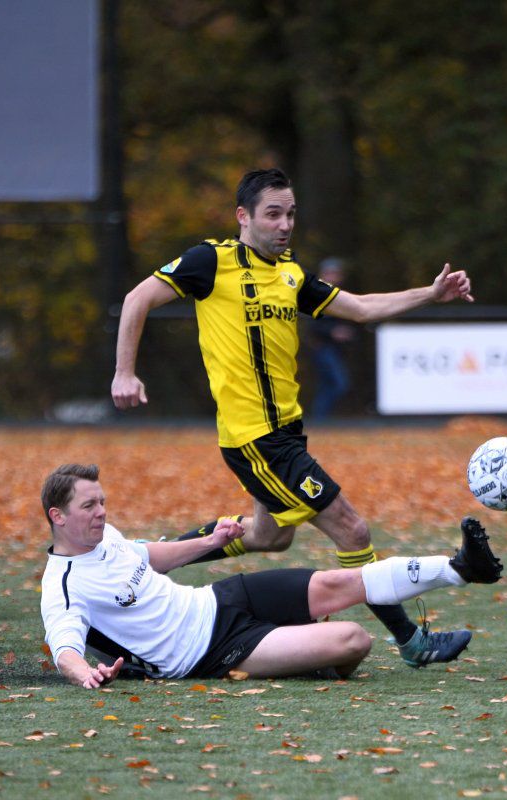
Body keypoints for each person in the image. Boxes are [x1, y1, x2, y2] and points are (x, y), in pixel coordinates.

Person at [111, 168, 475, 667]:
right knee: (352, 530)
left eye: (291, 214)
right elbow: (137, 299)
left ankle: (144, 560)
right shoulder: (210, 262)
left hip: (287, 433)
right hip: (256, 439)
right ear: (243, 217)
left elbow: (361, 308)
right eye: (273, 214)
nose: (285, 225)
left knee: (270, 537)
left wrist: (429, 294)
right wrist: (124, 372)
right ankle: (412, 642)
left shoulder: (290, 274)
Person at [39, 464, 502, 687]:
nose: (102, 512)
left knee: (338, 582)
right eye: (89, 506)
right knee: (354, 640)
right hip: (210, 652)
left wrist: (210, 542)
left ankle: (460, 568)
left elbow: (151, 557)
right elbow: (64, 649)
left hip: (218, 598)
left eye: (102, 502)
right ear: (58, 516)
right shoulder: (63, 586)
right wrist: (87, 675)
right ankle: (303, 656)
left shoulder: (107, 536)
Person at [306, 257, 356, 419]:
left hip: (337, 349)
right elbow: (311, 325)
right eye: (330, 273)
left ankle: (320, 420)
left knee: (327, 384)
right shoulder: (315, 294)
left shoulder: (340, 295)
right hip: (322, 347)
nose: (333, 277)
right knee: (339, 384)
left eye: (336, 274)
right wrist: (332, 332)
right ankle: (320, 419)